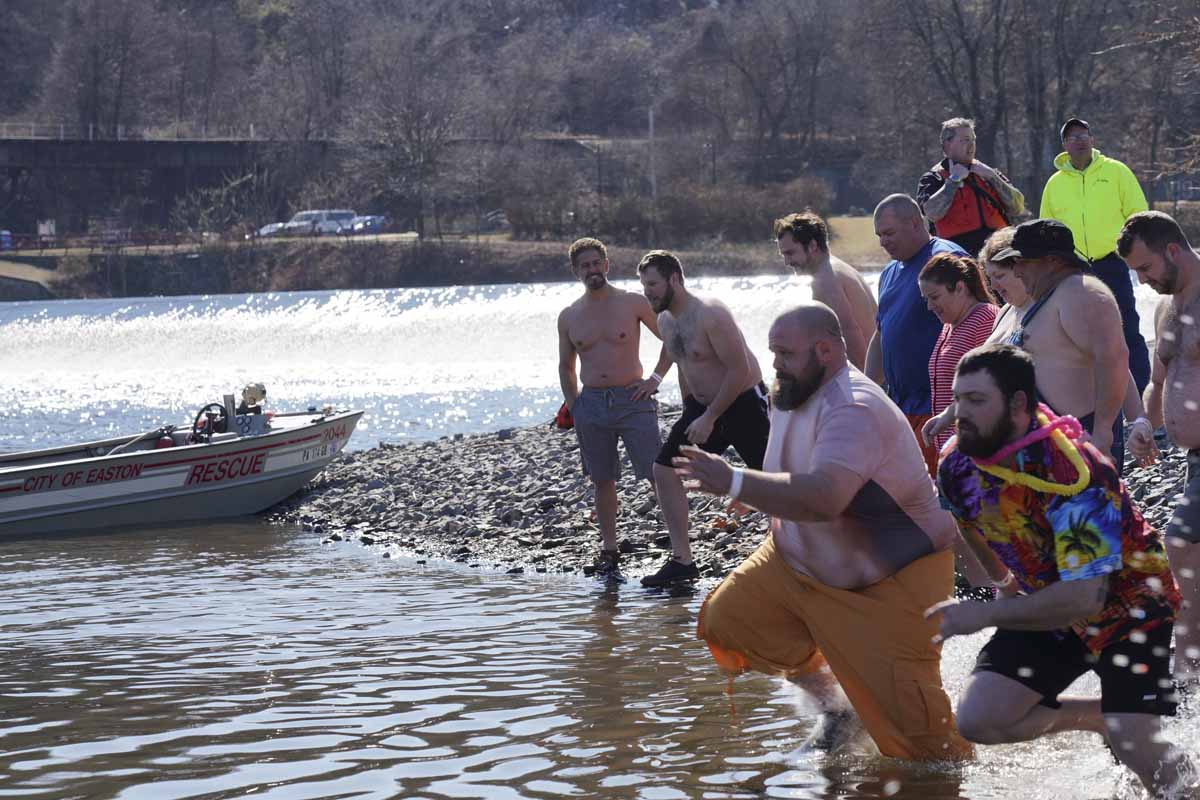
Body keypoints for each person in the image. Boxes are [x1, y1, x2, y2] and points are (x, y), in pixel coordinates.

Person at [678, 303, 973, 761]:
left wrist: (735, 481)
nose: (775, 363)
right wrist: (759, 491)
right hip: (795, 560)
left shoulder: (855, 406)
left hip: (887, 580)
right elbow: (796, 464)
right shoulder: (789, 389)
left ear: (827, 351)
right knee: (729, 621)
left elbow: (824, 498)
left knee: (927, 751)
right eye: (773, 351)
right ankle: (838, 706)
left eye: (785, 353)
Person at [928, 344, 1189, 797]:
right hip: (1049, 606)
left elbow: (1086, 596)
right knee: (979, 720)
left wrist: (985, 615)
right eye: (957, 399)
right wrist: (1002, 584)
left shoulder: (1075, 471)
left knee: (1137, 748)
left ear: (1018, 405)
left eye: (976, 400)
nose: (959, 414)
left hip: (1130, 606)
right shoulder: (958, 464)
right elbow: (968, 521)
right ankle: (1100, 718)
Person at [634, 250, 769, 587]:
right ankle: (683, 561)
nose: (647, 292)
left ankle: (795, 554)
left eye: (652, 284)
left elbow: (739, 369)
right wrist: (688, 406)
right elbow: (680, 357)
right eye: (644, 285)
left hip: (743, 403)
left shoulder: (711, 313)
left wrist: (710, 417)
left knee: (772, 479)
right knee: (664, 470)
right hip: (702, 407)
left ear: (674, 279)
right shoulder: (666, 320)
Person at [1118, 210, 1200, 687]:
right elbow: (1158, 380)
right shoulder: (1167, 308)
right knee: (1184, 553)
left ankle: (1188, 668)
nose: (1142, 281)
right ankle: (1189, 672)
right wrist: (1146, 423)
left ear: (1172, 250)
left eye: (1145, 268)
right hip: (1193, 460)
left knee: (1182, 545)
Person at [557, 237, 666, 576]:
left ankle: (681, 545)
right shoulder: (569, 316)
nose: (592, 270)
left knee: (657, 472)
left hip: (633, 399)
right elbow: (566, 365)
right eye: (584, 266)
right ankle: (609, 548)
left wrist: (654, 380)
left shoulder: (633, 303)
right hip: (591, 404)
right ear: (576, 272)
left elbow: (673, 338)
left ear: (606, 265)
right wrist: (575, 405)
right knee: (602, 479)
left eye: (596, 263)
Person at [986, 219, 1130, 466]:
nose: (1017, 271)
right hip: (1048, 439)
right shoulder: (1047, 297)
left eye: (1022, 262)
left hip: (1081, 437)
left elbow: (1114, 361)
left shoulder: (1080, 292)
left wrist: (1103, 432)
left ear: (1052, 261)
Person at [1040, 117, 1151, 395]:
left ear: (1092, 140)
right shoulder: (1054, 184)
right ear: (1064, 146)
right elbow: (1046, 230)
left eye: (1083, 135)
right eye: (1072, 137)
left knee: (1127, 329)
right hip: (1074, 271)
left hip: (1112, 263)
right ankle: (1095, 397)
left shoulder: (1116, 171)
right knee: (1080, 337)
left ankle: (1140, 398)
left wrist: (1133, 255)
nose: (1079, 141)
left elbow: (1139, 216)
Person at [866, 193, 967, 475]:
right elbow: (882, 333)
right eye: (879, 236)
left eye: (889, 233)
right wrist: (866, 391)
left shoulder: (945, 259)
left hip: (938, 407)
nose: (883, 242)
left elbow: (977, 325)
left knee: (942, 489)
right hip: (901, 406)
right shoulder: (889, 272)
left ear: (913, 223)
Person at [918, 253, 999, 459]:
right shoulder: (948, 325)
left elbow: (989, 384)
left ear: (960, 288)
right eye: (926, 299)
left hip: (976, 450)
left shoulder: (985, 318)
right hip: (951, 451)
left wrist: (949, 416)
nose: (929, 306)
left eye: (935, 297)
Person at [774, 210, 878, 370]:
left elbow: (851, 333)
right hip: (882, 369)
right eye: (783, 255)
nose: (787, 262)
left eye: (790, 253)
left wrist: (866, 380)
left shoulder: (824, 281)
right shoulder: (842, 268)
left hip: (870, 372)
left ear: (812, 246)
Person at [917, 118, 1025, 258]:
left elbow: (1018, 207)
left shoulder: (987, 173)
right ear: (947, 144)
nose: (971, 145)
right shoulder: (933, 178)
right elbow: (932, 213)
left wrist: (992, 177)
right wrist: (954, 180)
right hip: (957, 256)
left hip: (999, 253)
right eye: (965, 140)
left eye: (973, 139)